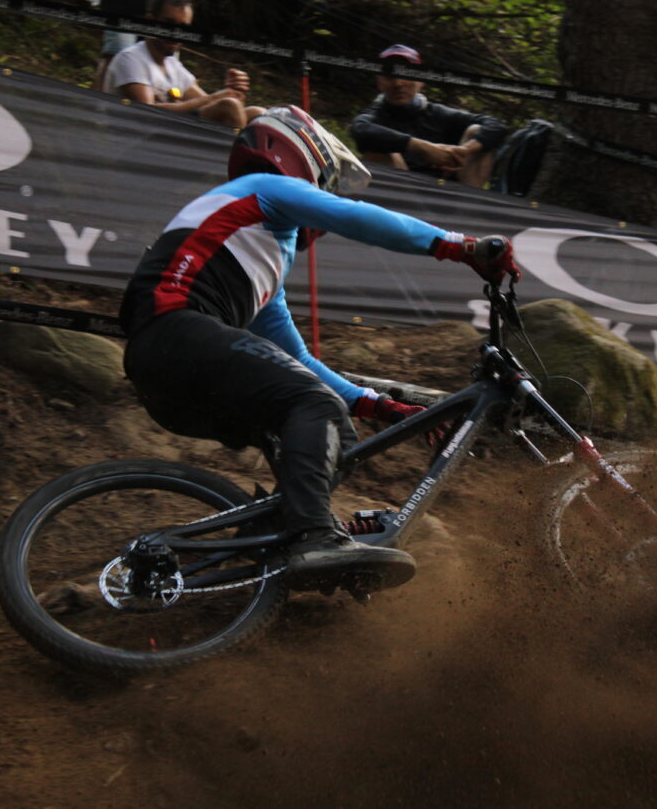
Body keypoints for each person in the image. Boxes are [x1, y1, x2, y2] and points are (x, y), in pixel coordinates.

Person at [119, 105, 519, 593]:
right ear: (298, 154)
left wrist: (381, 406)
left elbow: (299, 361)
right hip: (174, 330)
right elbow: (359, 218)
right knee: (316, 405)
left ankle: (263, 551)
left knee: (334, 436)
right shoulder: (264, 187)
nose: (326, 195)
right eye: (325, 183)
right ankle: (314, 539)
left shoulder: (260, 263)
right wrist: (460, 246)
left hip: (170, 365)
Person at [350, 44, 508, 188]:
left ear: (421, 80)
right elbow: (360, 129)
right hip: (402, 190)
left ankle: (470, 202)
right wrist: (424, 148)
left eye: (406, 74)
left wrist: (463, 151)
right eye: (390, 76)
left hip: (447, 189)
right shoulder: (375, 115)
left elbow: (496, 125)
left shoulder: (440, 114)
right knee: (378, 149)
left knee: (477, 131)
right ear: (380, 82)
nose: (398, 83)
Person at [103, 0, 264, 129]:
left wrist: (234, 91)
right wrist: (219, 98)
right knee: (229, 107)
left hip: (169, 135)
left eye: (183, 28)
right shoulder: (131, 59)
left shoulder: (172, 65)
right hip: (138, 143)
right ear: (150, 22)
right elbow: (148, 113)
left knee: (257, 113)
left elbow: (207, 102)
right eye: (169, 24)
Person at [78, 0, 184, 87]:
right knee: (116, 56)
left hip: (157, 4)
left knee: (159, 63)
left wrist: (176, 0)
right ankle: (97, 98)